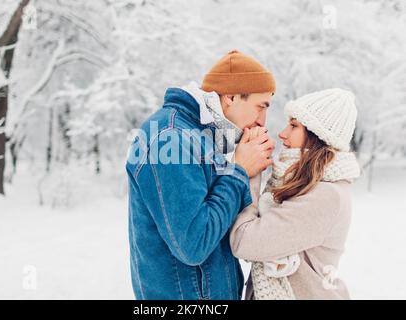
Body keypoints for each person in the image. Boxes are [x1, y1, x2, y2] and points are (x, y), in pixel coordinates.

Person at [126, 50, 276, 299]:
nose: (263, 121)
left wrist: (249, 172)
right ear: (230, 97)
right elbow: (193, 245)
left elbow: (219, 220)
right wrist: (238, 170)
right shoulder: (171, 137)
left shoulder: (199, 137)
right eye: (260, 107)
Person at [230, 88, 360, 300]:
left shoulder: (325, 195)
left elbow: (245, 241)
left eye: (293, 125)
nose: (282, 133)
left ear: (317, 136)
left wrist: (247, 172)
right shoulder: (304, 183)